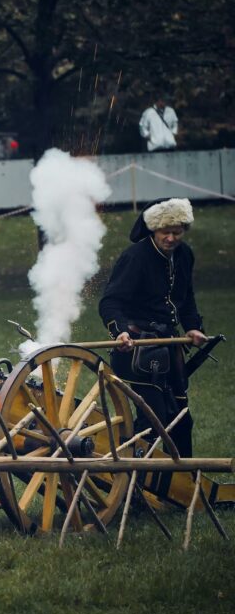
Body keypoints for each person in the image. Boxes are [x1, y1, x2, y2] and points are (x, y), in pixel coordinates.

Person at [99, 197, 206, 460]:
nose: (170, 238)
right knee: (153, 422)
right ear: (153, 231)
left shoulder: (185, 255)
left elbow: (185, 298)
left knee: (181, 419)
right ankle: (131, 481)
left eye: (176, 232)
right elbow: (110, 301)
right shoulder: (135, 257)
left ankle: (186, 482)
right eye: (165, 232)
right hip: (137, 350)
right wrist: (120, 331)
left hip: (169, 349)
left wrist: (192, 327)